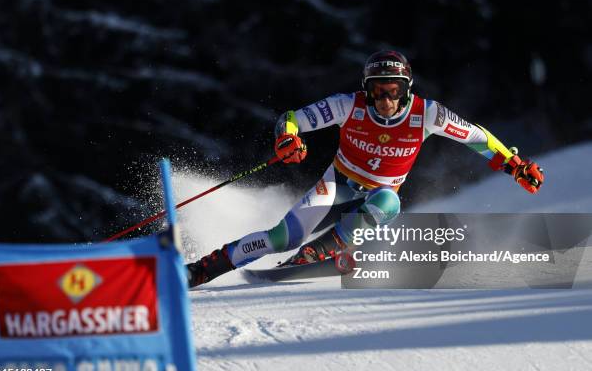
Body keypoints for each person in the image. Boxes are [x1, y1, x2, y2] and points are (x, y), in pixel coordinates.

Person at [186, 50, 544, 287]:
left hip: (379, 191)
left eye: (393, 91)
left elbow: (477, 138)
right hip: (338, 182)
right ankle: (201, 270)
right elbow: (293, 119)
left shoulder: (427, 113)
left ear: (406, 90)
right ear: (366, 90)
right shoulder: (348, 106)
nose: (385, 100)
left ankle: (319, 251)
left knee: (389, 203)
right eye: (377, 91)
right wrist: (288, 138)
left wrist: (514, 165)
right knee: (284, 237)